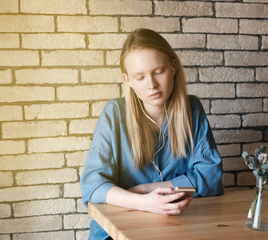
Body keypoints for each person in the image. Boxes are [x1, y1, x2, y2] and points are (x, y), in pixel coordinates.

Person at [80, 28, 223, 240]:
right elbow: (93, 187)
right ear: (127, 80)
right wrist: (144, 202)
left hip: (180, 227)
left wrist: (145, 188)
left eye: (158, 72)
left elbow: (210, 178)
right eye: (140, 77)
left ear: (173, 66)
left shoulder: (192, 109)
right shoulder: (113, 114)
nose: (152, 85)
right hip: (117, 232)